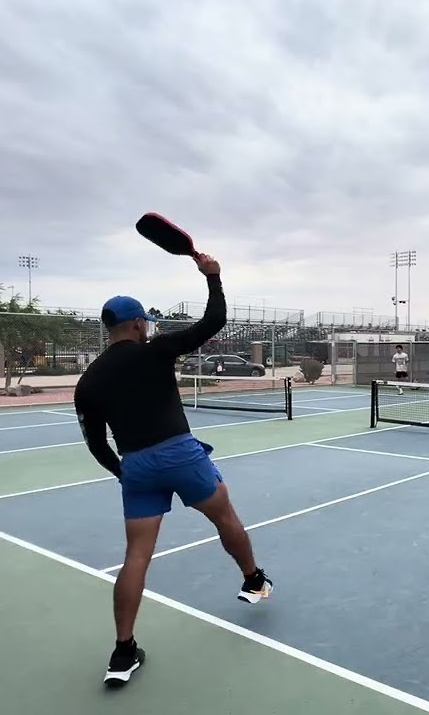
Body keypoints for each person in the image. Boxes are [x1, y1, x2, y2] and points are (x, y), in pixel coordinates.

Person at [73, 252, 273, 689]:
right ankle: (253, 580)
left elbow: (94, 442)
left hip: (136, 466)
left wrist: (122, 472)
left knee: (135, 557)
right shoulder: (156, 350)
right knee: (225, 517)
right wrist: (213, 277)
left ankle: (123, 651)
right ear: (139, 324)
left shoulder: (87, 382)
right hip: (180, 454)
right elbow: (213, 321)